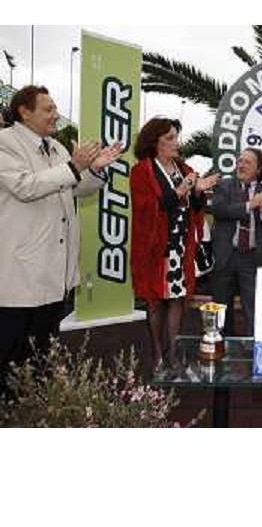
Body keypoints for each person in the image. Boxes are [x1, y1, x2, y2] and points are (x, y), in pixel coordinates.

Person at [0, 85, 121, 393]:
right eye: (48, 109)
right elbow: (27, 186)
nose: (56, 115)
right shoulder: (6, 143)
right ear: (24, 112)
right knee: (11, 367)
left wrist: (93, 169)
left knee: (43, 362)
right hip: (19, 279)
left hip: (54, 276)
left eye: (55, 108)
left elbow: (76, 186)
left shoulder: (57, 147)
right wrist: (74, 166)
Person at [130, 118, 219, 370]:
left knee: (178, 298)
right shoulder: (142, 171)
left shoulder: (184, 167)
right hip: (155, 248)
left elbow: (196, 207)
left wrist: (199, 191)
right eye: (168, 137)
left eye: (175, 136)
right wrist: (180, 190)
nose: (175, 142)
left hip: (181, 246)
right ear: (153, 141)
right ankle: (157, 352)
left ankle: (174, 351)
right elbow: (147, 208)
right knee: (156, 300)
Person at [211, 148, 262, 335]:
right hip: (226, 256)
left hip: (251, 259)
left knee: (253, 310)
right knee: (221, 311)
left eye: (247, 162)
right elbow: (219, 210)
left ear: (258, 169)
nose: (240, 165)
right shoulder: (224, 186)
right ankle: (220, 350)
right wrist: (250, 205)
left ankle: (252, 354)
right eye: (239, 161)